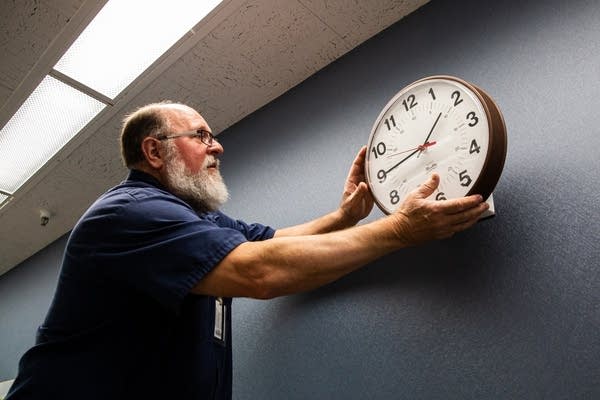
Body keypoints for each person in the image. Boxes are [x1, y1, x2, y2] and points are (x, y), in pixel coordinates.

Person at [6, 101, 488, 399]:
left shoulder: (202, 219)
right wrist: (399, 232)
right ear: (154, 153)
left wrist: (344, 218)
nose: (217, 147)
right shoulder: (128, 213)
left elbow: (273, 243)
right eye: (201, 136)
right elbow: (262, 272)